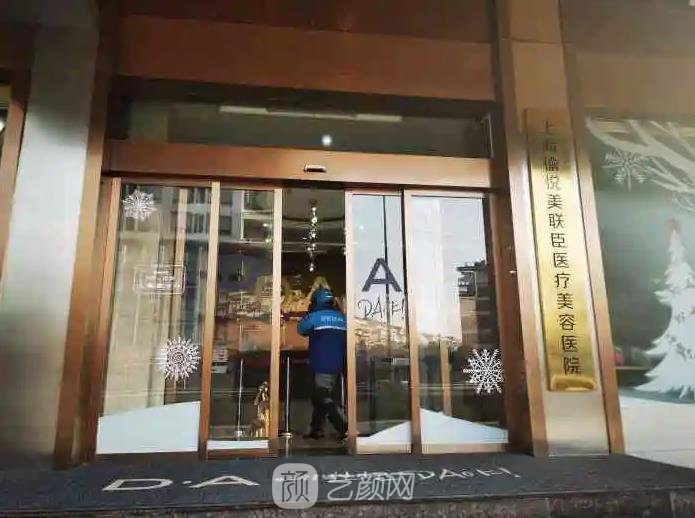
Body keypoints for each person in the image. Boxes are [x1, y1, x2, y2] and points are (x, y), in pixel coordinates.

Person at [297, 287, 347, 440]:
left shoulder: (314, 316)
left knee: (322, 395)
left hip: (321, 362)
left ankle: (343, 426)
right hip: (337, 363)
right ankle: (316, 429)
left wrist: (309, 313)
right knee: (318, 396)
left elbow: (301, 329)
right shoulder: (342, 317)